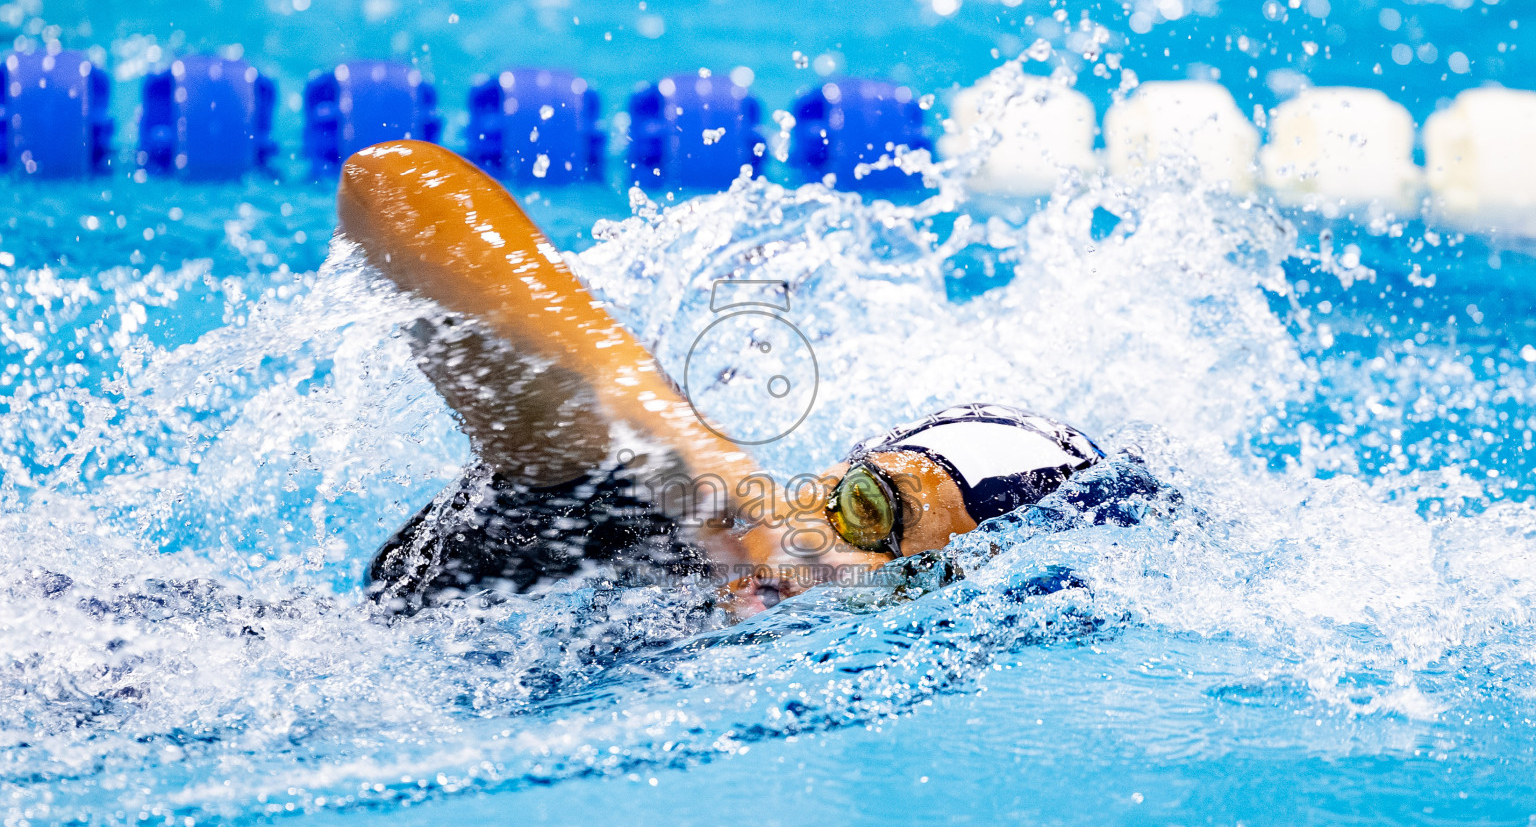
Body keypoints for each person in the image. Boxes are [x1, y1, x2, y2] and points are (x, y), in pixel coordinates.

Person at [338, 141, 1114, 619]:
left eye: (916, 585)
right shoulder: (653, 509)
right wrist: (675, 434)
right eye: (864, 504)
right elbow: (393, 183)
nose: (841, 560)